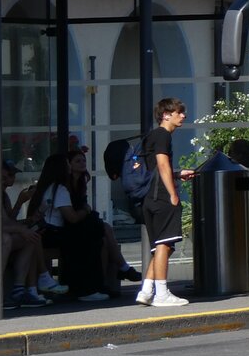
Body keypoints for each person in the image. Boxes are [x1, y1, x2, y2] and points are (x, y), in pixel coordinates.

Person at [135, 97, 196, 308]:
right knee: (164, 245)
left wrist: (178, 174)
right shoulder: (162, 136)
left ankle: (146, 290)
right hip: (161, 196)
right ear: (166, 115)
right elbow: (162, 164)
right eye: (179, 112)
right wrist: (173, 194)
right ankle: (161, 293)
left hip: (149, 197)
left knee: (162, 246)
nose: (183, 116)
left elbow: (155, 169)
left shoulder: (152, 136)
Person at [27, 153, 110, 301]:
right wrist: (86, 210)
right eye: (68, 163)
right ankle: (87, 289)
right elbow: (71, 217)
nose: (69, 167)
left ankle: (85, 287)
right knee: (87, 240)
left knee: (90, 234)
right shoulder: (60, 189)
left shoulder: (48, 187)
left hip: (46, 232)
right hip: (51, 233)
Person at [0, 158, 52, 307]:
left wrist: (26, 226)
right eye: (2, 177)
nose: (4, 182)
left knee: (31, 237)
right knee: (5, 239)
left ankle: (19, 289)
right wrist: (19, 226)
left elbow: (5, 220)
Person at [66, 148, 142, 286]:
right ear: (69, 164)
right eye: (77, 161)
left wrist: (86, 210)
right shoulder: (66, 185)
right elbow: (75, 214)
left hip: (81, 224)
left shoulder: (81, 182)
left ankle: (103, 281)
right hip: (71, 227)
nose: (82, 163)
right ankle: (123, 268)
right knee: (105, 229)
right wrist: (86, 210)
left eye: (84, 160)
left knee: (104, 241)